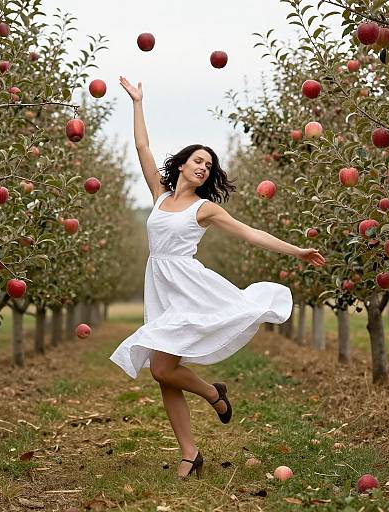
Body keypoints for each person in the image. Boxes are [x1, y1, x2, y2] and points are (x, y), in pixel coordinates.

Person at [110, 76, 325, 480]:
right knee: (163, 373)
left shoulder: (204, 209)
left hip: (188, 289)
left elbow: (250, 233)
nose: (203, 167)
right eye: (197, 160)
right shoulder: (159, 196)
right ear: (182, 164)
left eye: (208, 166)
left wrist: (297, 250)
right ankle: (190, 452)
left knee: (160, 368)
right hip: (159, 288)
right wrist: (138, 102)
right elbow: (142, 147)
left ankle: (212, 393)